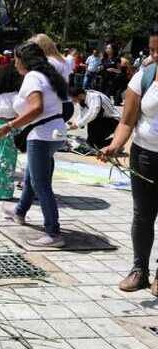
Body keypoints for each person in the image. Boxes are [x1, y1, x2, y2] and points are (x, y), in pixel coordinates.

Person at [0, 42, 68, 248]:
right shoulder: (49, 76)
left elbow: (36, 108)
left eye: (16, 59)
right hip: (54, 132)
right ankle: (19, 211)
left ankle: (53, 233)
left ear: (24, 60)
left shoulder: (33, 77)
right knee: (31, 175)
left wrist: (9, 126)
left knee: (40, 183)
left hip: (42, 134)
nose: (14, 63)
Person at [101, 29, 158, 294]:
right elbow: (127, 121)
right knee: (142, 215)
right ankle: (139, 270)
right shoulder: (143, 77)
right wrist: (115, 145)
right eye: (151, 50)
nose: (154, 56)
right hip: (144, 155)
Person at [0, 64, 22, 200]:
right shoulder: (16, 96)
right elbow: (19, 112)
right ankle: (4, 192)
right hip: (10, 127)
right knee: (7, 161)